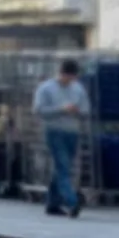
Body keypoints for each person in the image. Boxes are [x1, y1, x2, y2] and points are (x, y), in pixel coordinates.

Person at [33, 57, 89, 217]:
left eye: (73, 78)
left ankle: (53, 204)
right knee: (63, 166)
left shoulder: (78, 89)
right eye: (68, 77)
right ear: (61, 74)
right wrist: (61, 109)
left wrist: (77, 111)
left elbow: (85, 109)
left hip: (72, 132)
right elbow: (39, 110)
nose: (70, 81)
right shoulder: (46, 89)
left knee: (62, 167)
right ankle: (72, 201)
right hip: (54, 131)